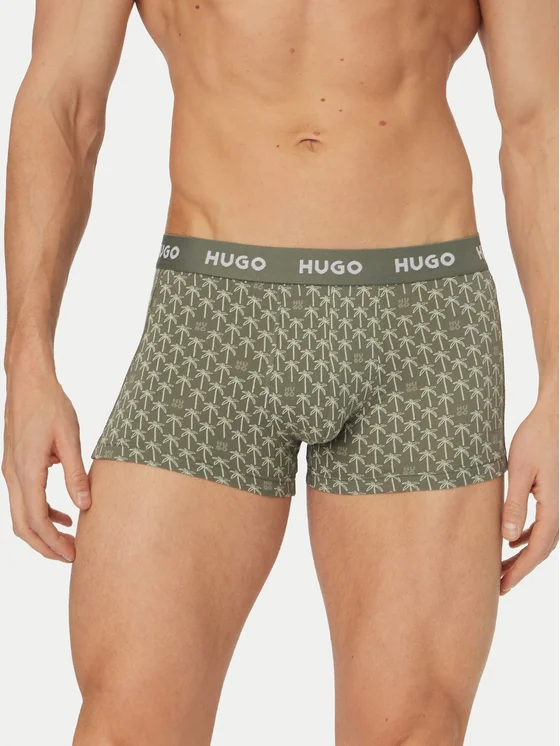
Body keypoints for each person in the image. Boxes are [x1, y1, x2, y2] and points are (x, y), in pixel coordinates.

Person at [2, 0, 558, 743]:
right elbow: (63, 99)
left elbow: (539, 122)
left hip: (421, 328)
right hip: (210, 323)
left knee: (413, 729)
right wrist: (27, 362)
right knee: (128, 722)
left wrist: (559, 386)